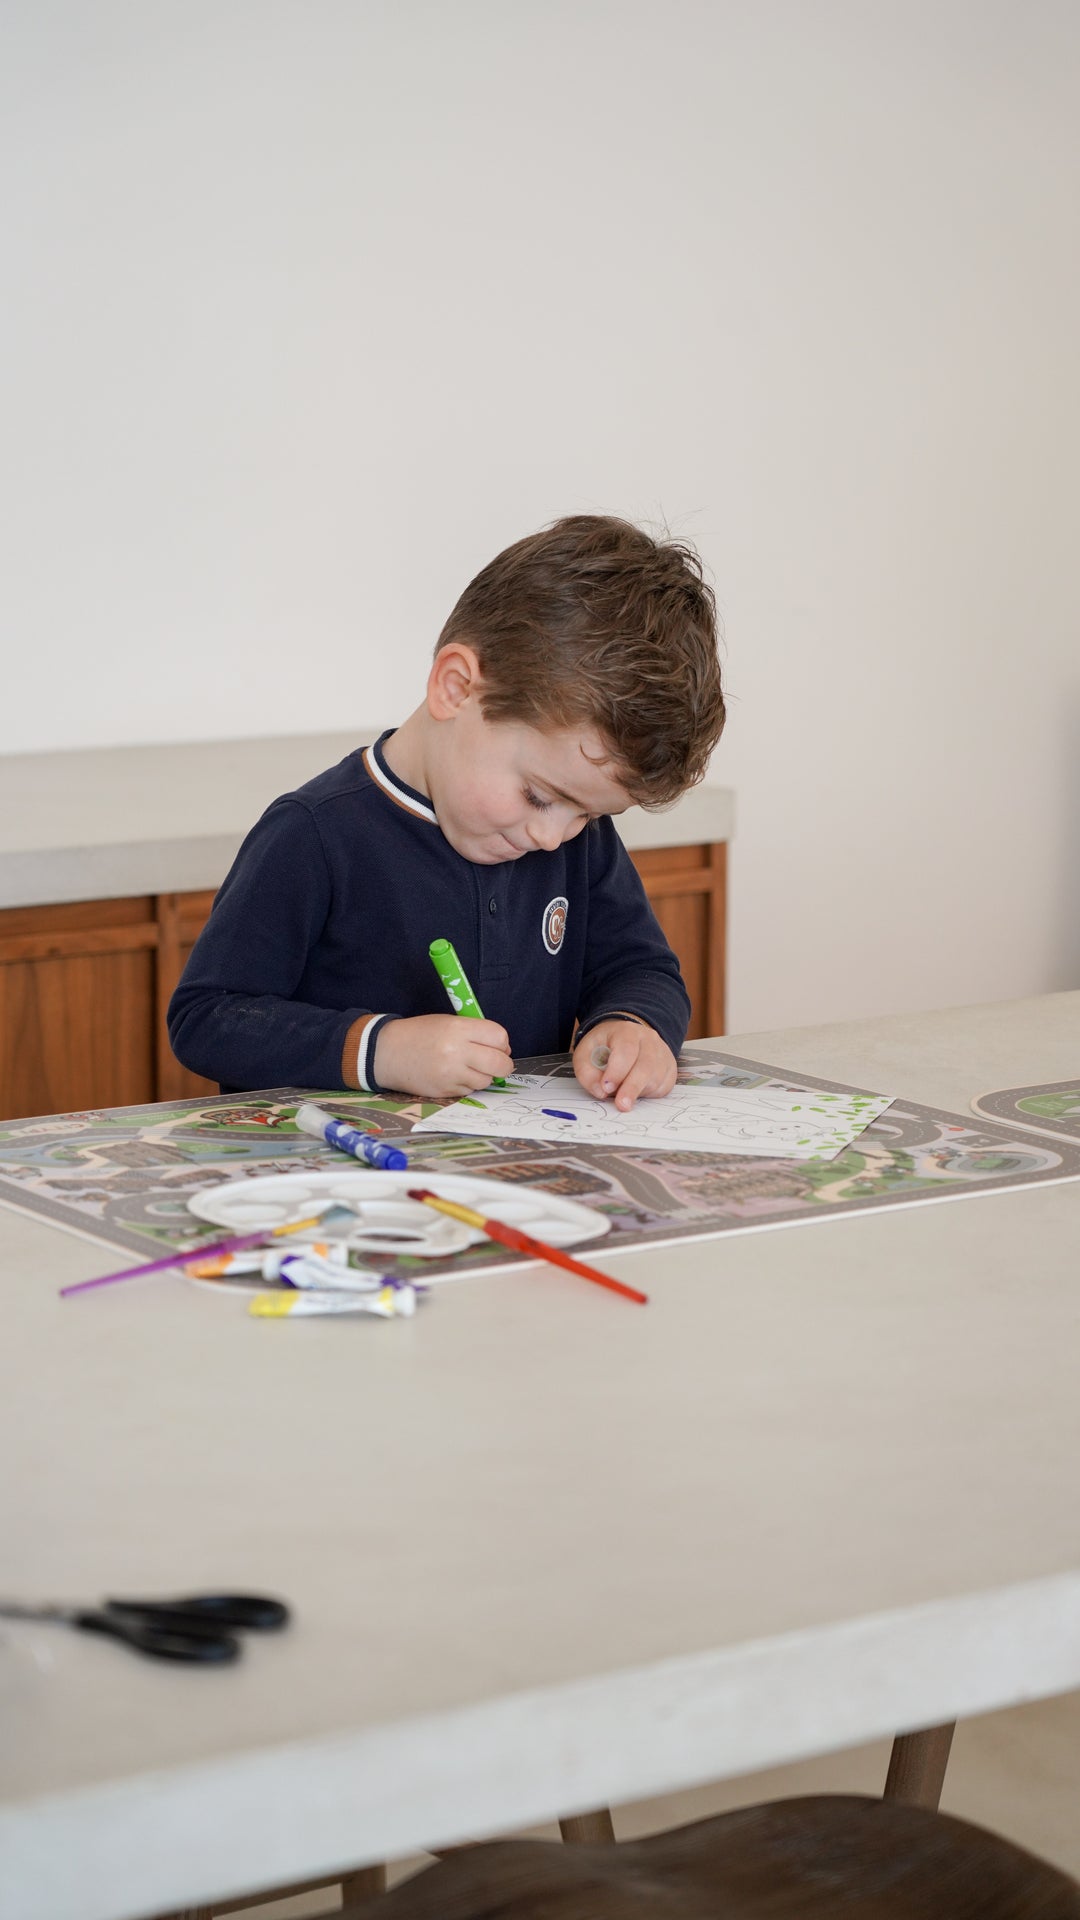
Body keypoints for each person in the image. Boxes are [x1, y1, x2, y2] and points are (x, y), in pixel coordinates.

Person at [168, 515, 726, 1111]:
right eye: (539, 796)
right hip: (343, 1181)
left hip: (508, 1177)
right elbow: (207, 1017)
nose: (551, 834)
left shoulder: (577, 841)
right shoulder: (314, 835)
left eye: (586, 815)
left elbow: (641, 966)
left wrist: (633, 1024)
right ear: (456, 688)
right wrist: (381, 1050)